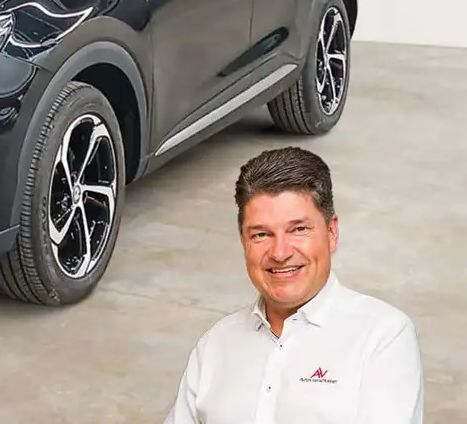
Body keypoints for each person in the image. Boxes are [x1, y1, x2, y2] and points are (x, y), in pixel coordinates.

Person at [163, 146, 424, 424]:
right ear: (243, 242)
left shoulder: (382, 336)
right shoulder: (216, 344)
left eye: (298, 229)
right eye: (261, 234)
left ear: (331, 232)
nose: (280, 253)